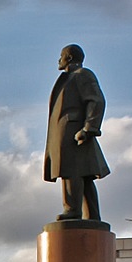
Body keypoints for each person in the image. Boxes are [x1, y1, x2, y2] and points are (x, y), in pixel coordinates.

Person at [43, 43, 110, 222]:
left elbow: (96, 101)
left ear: (70, 58)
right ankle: (92, 216)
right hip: (70, 132)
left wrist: (89, 128)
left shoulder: (82, 75)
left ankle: (72, 209)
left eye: (61, 56)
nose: (59, 59)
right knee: (84, 175)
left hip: (73, 133)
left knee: (71, 171)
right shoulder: (71, 77)